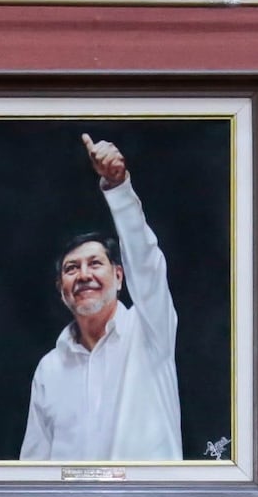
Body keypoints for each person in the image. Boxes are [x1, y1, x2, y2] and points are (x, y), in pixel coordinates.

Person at [17, 133, 181, 461]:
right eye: (71, 269)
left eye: (95, 264)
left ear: (119, 276)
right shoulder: (49, 369)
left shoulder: (149, 331)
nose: (83, 276)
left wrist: (118, 188)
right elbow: (33, 467)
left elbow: (146, 263)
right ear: (61, 288)